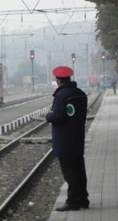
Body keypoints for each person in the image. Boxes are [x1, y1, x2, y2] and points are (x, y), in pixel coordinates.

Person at [46, 66, 89, 211]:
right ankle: (83, 198)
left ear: (58, 81)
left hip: (64, 140)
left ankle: (73, 202)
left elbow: (58, 117)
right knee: (79, 170)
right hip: (77, 138)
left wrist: (48, 115)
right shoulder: (80, 94)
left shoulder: (61, 96)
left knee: (70, 172)